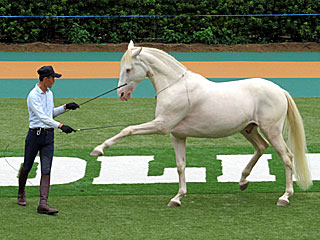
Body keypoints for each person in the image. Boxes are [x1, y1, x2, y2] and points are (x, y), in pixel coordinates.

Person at [17, 65, 79, 215]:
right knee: (27, 165)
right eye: (53, 78)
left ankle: (43, 204)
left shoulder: (49, 93)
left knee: (46, 169)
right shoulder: (33, 96)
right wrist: (61, 126)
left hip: (48, 137)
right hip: (35, 136)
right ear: (46, 79)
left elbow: (49, 114)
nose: (54, 81)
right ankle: (21, 192)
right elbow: (42, 118)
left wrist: (65, 107)